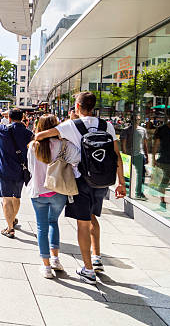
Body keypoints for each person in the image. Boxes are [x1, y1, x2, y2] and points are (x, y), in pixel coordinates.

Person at [35, 92, 125, 284]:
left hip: (81, 181)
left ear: (77, 106)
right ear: (93, 107)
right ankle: (97, 257)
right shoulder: (106, 125)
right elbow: (116, 156)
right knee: (93, 217)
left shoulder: (70, 126)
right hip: (102, 181)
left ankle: (88, 269)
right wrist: (122, 183)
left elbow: (41, 135)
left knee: (82, 223)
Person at [27, 114, 80, 278]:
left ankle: (46, 266)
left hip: (38, 191)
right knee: (53, 222)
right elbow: (77, 159)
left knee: (41, 227)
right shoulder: (65, 145)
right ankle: (56, 259)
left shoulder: (33, 146)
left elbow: (31, 169)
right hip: (59, 191)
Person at [0, 109, 33, 238]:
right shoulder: (28, 133)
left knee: (6, 198)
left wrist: (0, 115)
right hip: (21, 169)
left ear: (10, 118)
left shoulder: (4, 129)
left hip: (5, 168)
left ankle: (10, 228)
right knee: (17, 196)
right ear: (22, 117)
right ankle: (13, 218)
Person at [153, 117, 170, 210]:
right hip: (164, 160)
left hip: (165, 160)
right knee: (164, 182)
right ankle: (162, 200)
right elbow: (156, 144)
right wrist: (153, 158)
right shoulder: (162, 129)